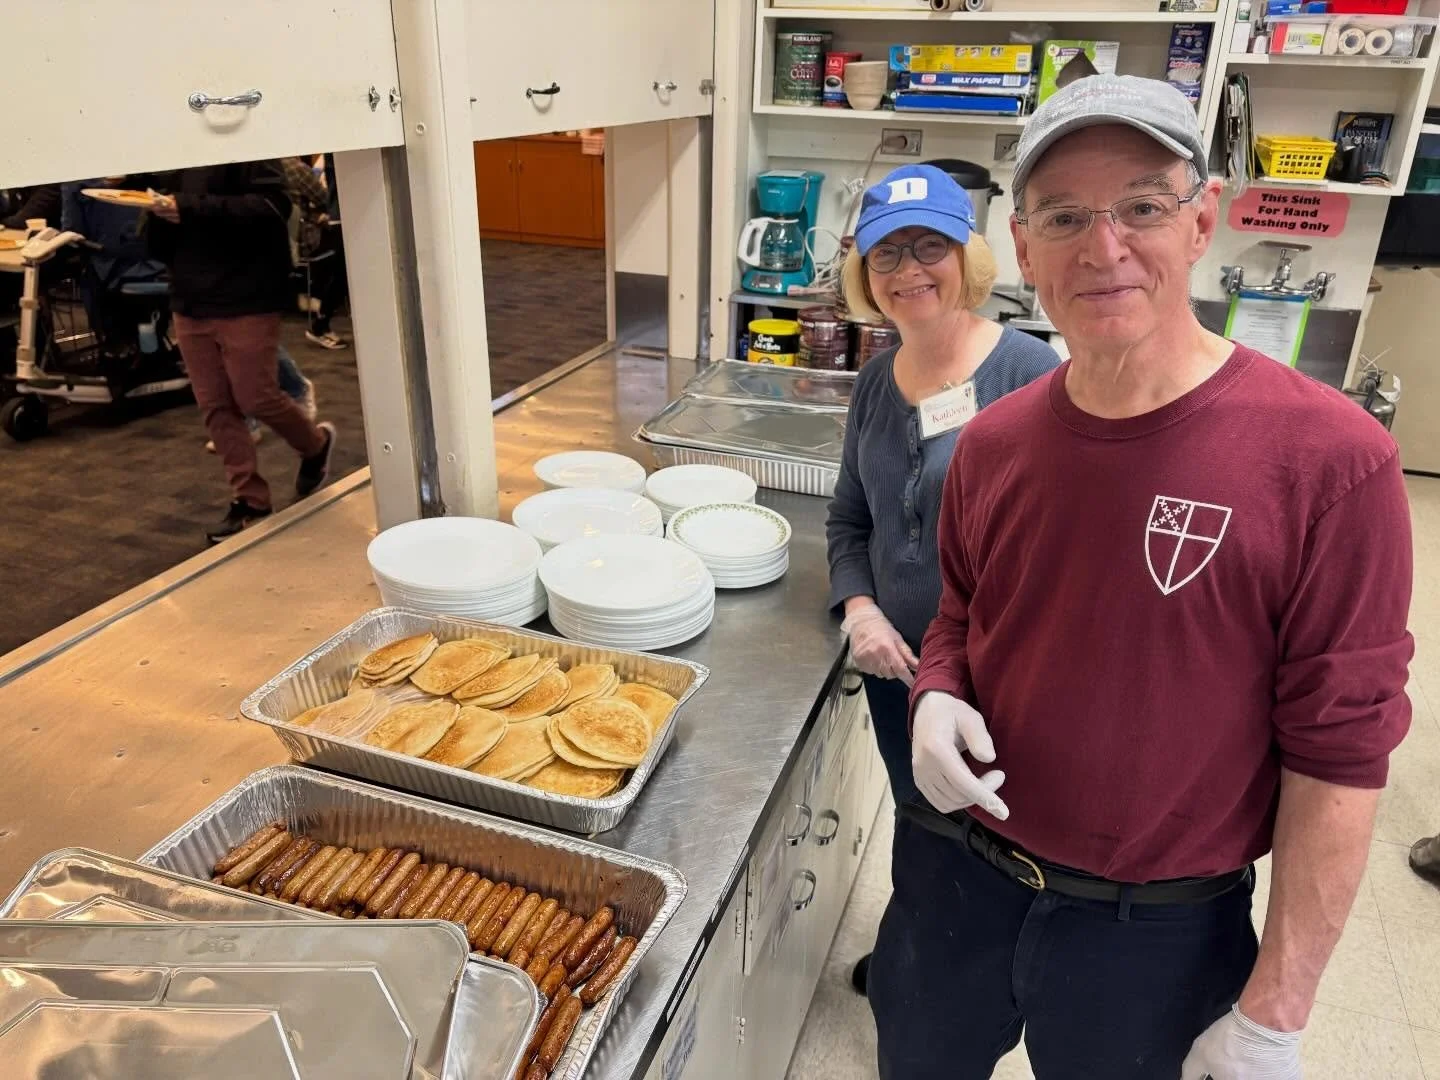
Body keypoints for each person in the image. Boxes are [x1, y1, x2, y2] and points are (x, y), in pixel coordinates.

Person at [871, 75, 1414, 1080]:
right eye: (1066, 215)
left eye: (1143, 207)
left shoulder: (1330, 461)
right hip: (961, 885)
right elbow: (962, 616)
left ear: (1203, 219)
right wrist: (938, 690)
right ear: (1025, 249)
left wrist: (1276, 1015)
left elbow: (1341, 754)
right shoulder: (994, 445)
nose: (1104, 245)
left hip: (1155, 935)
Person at [825, 164, 1061, 996]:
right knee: (921, 823)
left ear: (969, 256)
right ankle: (918, 963)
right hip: (897, 674)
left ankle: (973, 980)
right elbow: (849, 521)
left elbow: (1058, 557)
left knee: (993, 837)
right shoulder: (873, 384)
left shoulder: (1031, 378)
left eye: (931, 246)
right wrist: (860, 610)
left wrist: (959, 670)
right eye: (885, 254)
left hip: (993, 686)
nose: (907, 271)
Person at [147, 161, 337, 544]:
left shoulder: (249, 148)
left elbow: (271, 207)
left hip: (248, 292)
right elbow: (158, 222)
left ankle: (314, 445)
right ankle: (250, 500)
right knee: (214, 404)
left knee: (255, 395)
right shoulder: (168, 152)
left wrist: (187, 206)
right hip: (189, 294)